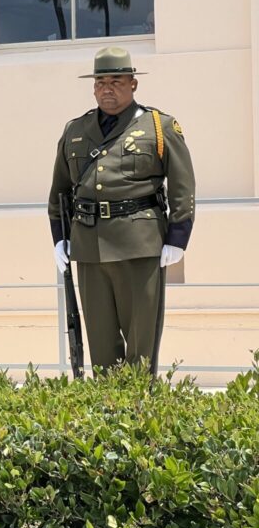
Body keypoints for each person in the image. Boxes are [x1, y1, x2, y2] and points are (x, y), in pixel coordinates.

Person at [48, 46, 196, 374]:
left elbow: (183, 185)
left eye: (116, 80)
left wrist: (178, 236)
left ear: (133, 84)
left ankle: (139, 416)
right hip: (89, 248)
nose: (107, 88)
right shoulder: (75, 130)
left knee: (140, 345)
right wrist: (60, 238)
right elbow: (59, 191)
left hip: (139, 245)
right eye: (100, 82)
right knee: (101, 347)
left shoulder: (159, 126)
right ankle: (107, 418)